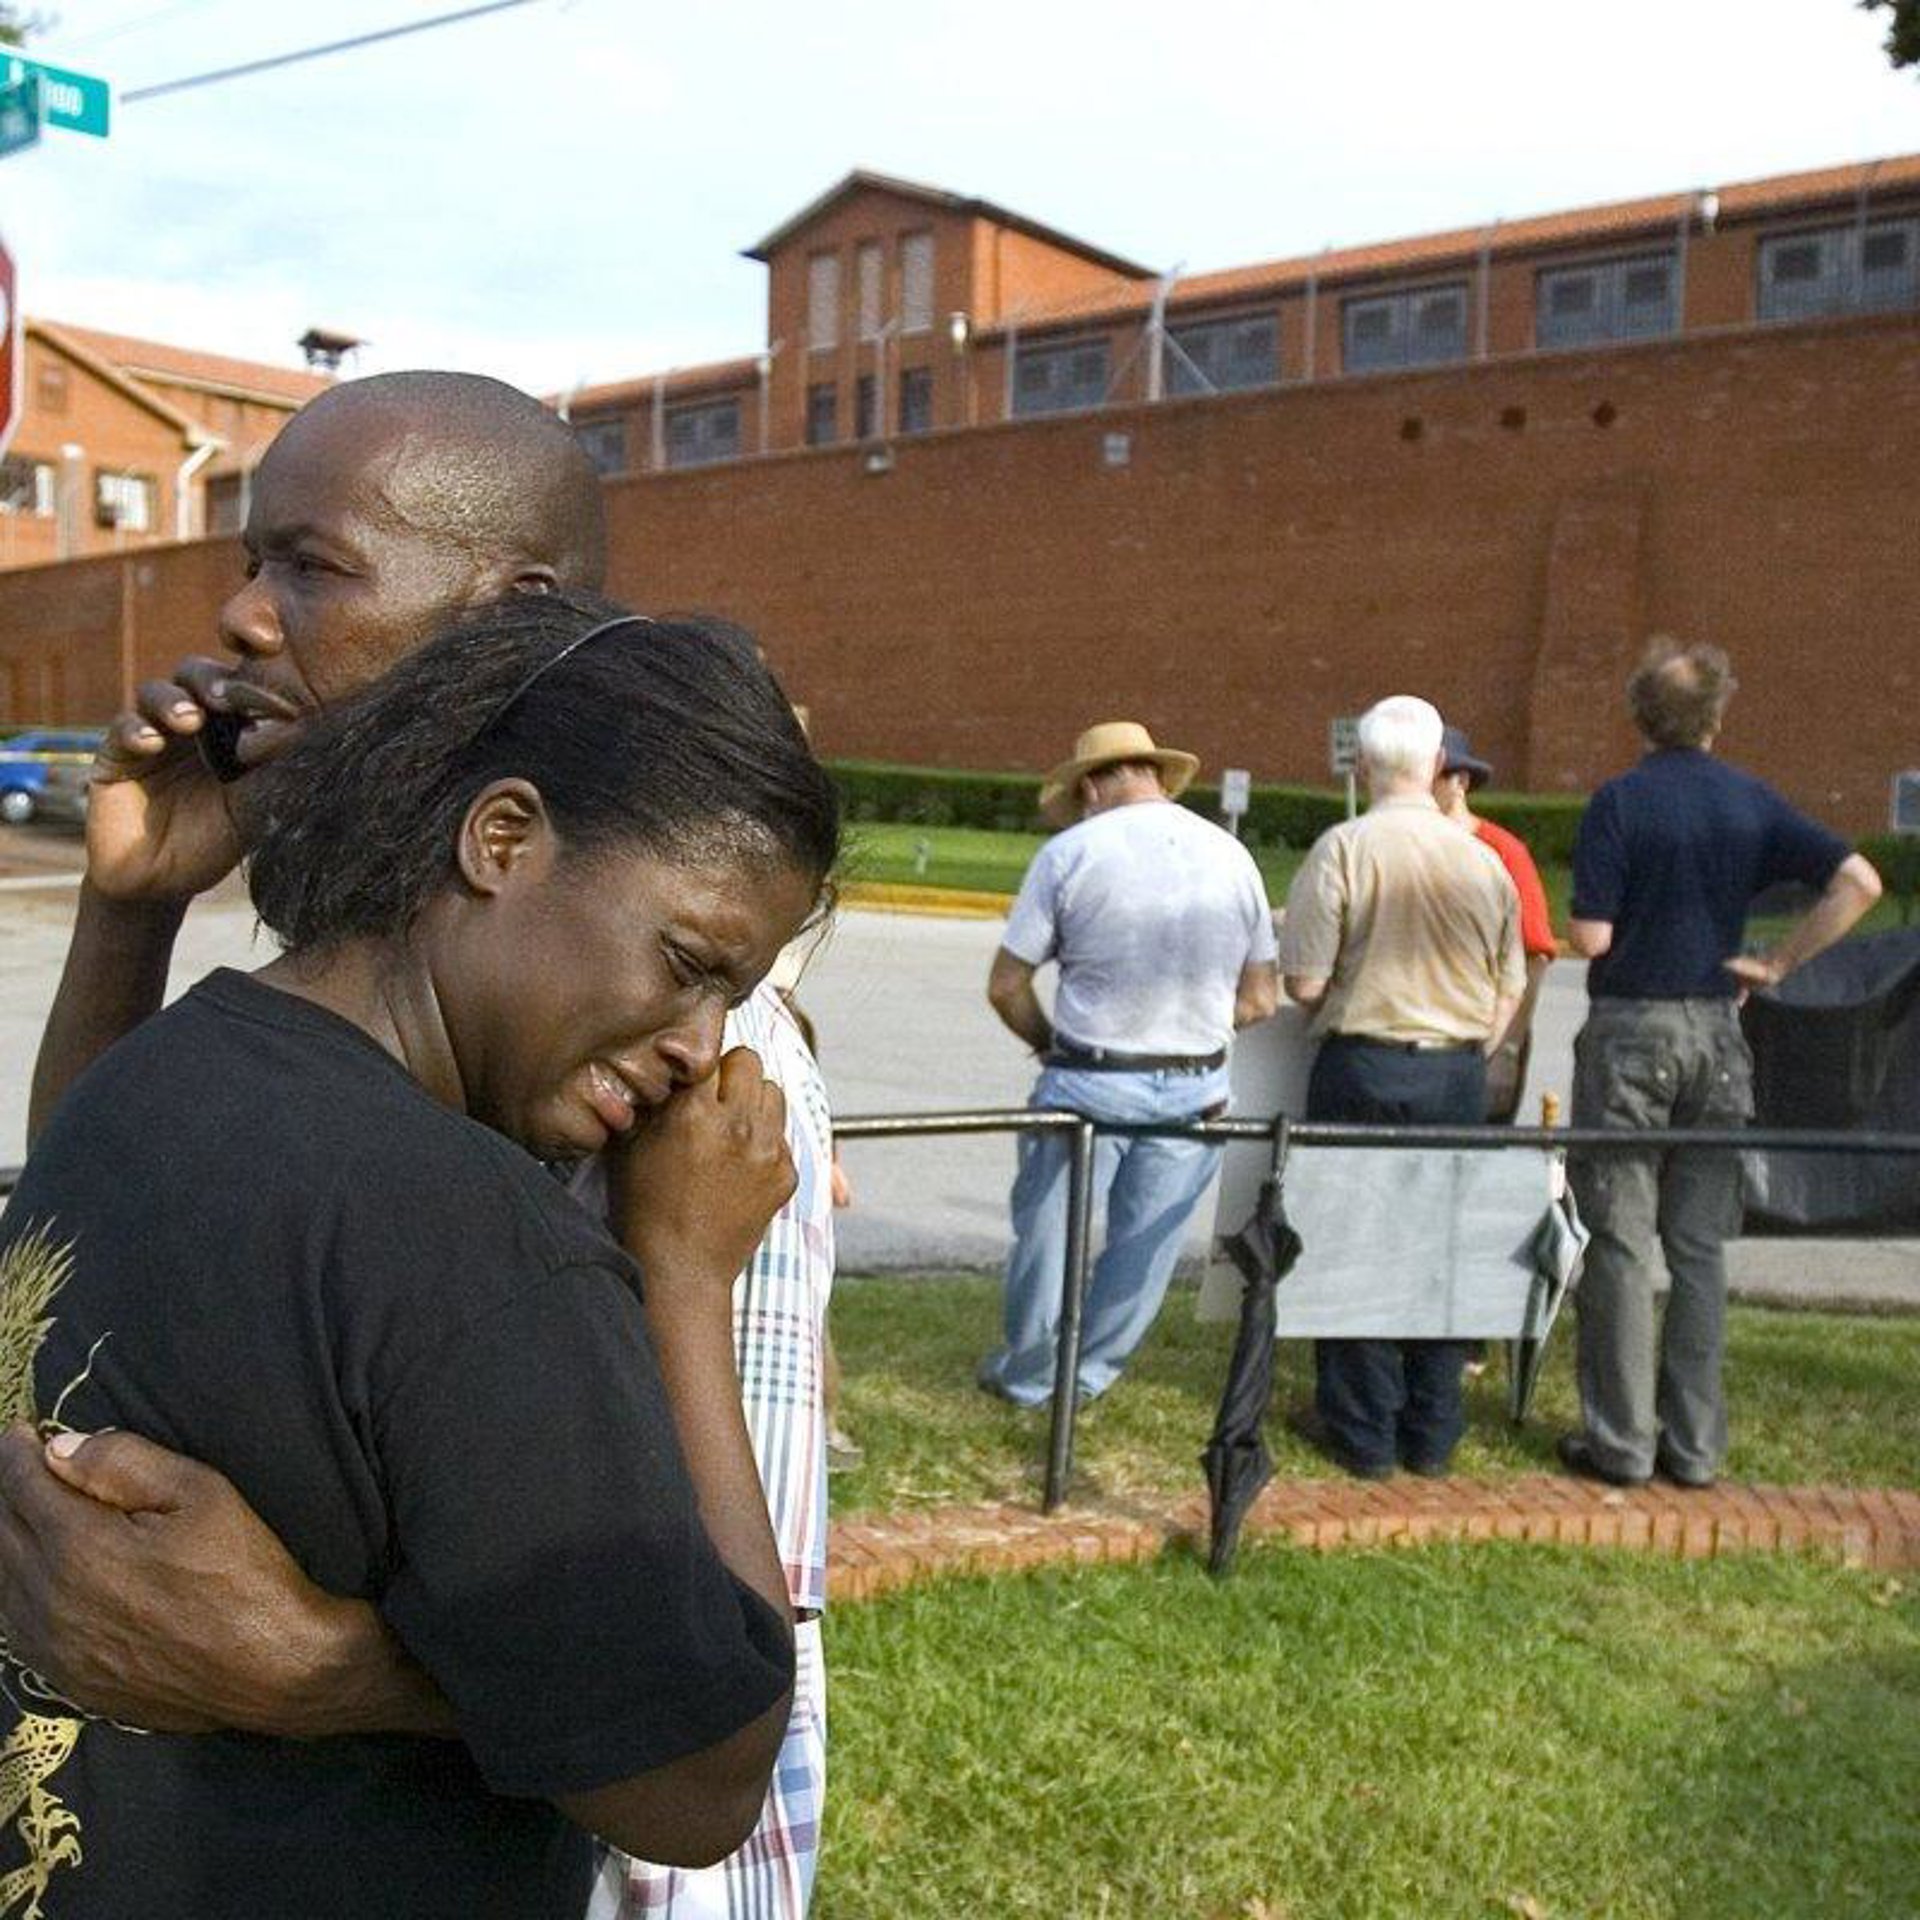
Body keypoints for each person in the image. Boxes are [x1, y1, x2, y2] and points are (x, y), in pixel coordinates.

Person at [2, 371, 838, 1919]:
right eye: (253, 559)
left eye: (314, 566)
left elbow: (710, 1698)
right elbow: (109, 1260)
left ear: (508, 615)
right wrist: (132, 910)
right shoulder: (361, 1010)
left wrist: (323, 1670)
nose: (243, 616)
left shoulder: (688, 1090)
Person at [1559, 640, 1881, 1491]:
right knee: (1699, 1246)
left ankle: (1621, 1443)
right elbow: (1859, 882)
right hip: (1716, 1029)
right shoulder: (1750, 800)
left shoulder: (1618, 802)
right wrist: (1777, 964)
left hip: (1630, 1027)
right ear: (1717, 716)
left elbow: (1592, 935)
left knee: (1620, 1242)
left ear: (1639, 716)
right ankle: (1696, 1447)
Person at [978, 721, 1278, 1408]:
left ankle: (1030, 1376)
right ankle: (1088, 1376)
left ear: (1090, 787)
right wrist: (1197, 1022)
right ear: (1156, 777)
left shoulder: (1070, 853)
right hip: (1197, 1082)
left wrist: (1048, 1043)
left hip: (1089, 1078)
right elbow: (1261, 999)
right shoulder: (1232, 856)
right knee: (1145, 1247)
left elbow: (1006, 985)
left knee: (1050, 1237)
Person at [1276, 695, 1524, 1479]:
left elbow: (1305, 981)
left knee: (1355, 1244)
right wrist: (1470, 1044)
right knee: (1438, 1247)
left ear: (1362, 765)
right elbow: (1510, 986)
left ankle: (1362, 1431)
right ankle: (1433, 1429)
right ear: (1440, 766)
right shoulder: (1482, 861)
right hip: (1455, 1070)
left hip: (1364, 1062)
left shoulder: (1344, 849)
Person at [1432, 724, 1559, 1121]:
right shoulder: (1406, 844)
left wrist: (1507, 1048)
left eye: (1429, 776)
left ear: (1460, 782)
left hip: (1485, 1036)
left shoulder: (1503, 851)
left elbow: (1535, 955)